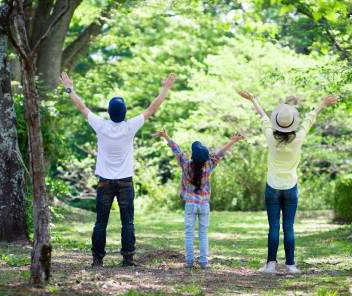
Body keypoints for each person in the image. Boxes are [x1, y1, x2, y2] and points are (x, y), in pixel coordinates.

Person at [60, 71, 177, 267]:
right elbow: (151, 109)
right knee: (127, 222)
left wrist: (69, 88)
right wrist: (165, 88)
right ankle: (128, 258)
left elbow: (81, 107)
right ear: (125, 113)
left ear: (107, 112)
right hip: (125, 182)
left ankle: (97, 259)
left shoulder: (101, 126)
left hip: (104, 182)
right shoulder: (130, 126)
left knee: (101, 222)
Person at [238, 90, 339, 274]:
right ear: (292, 124)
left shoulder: (270, 138)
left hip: (273, 187)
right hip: (291, 188)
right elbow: (310, 118)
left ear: (277, 123)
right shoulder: (298, 138)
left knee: (274, 227)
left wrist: (253, 99)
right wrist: (322, 103)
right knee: (289, 227)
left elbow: (263, 116)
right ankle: (291, 265)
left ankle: (270, 264)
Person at [154, 127, 245, 269]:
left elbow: (176, 149)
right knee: (203, 234)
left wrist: (166, 136)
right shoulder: (209, 166)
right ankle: (204, 262)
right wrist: (233, 141)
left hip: (190, 204)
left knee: (189, 234)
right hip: (204, 205)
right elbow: (220, 153)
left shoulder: (185, 164)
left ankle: (189, 262)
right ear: (205, 159)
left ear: (192, 156)